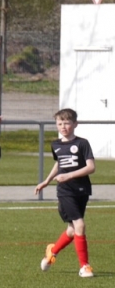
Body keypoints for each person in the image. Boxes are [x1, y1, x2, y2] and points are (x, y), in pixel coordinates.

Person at [34, 108, 96, 278]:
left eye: (67, 123)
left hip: (82, 189)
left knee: (72, 230)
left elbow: (91, 167)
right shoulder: (56, 145)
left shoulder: (82, 143)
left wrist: (69, 175)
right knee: (80, 225)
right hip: (65, 191)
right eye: (60, 123)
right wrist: (46, 181)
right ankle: (84, 266)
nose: (63, 126)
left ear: (75, 124)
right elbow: (59, 164)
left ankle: (52, 252)